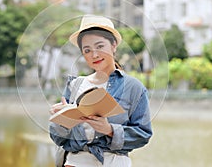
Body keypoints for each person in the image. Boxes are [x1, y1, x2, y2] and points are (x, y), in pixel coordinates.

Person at [49, 15, 152, 167]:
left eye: (100, 46)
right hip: (76, 163)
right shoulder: (75, 85)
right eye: (87, 50)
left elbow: (143, 134)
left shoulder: (133, 87)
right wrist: (61, 121)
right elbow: (59, 138)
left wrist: (110, 130)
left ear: (114, 45)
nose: (94, 55)